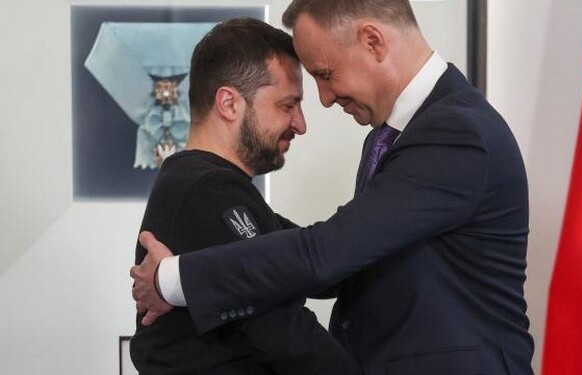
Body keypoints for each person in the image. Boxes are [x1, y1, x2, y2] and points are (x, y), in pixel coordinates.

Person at [132, 1, 535, 374]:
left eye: (325, 74)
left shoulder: (455, 132)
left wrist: (171, 279)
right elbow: (349, 264)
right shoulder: (392, 137)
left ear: (372, 42)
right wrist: (251, 229)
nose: (324, 100)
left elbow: (327, 254)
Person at [130, 18, 359, 375]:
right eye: (287, 105)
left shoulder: (207, 186)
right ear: (229, 104)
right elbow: (284, 332)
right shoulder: (206, 191)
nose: (301, 124)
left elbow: (313, 263)